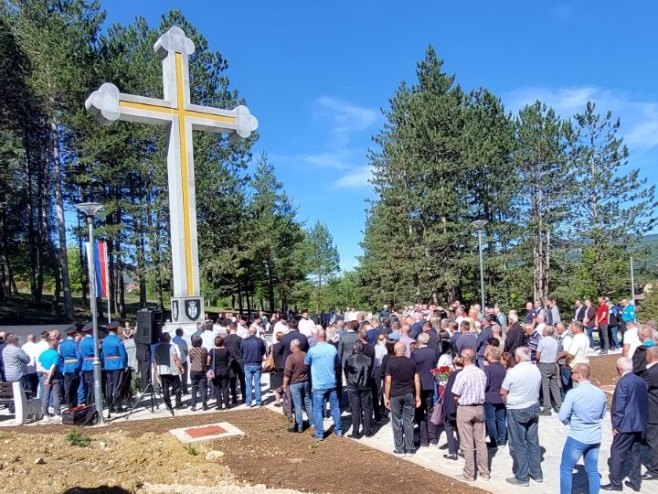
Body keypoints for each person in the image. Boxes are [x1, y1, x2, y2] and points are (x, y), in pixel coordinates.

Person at [559, 363, 607, 494]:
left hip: (577, 436)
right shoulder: (600, 393)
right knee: (592, 470)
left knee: (565, 469)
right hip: (595, 437)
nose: (571, 375)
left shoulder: (573, 393)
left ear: (578, 375)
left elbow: (563, 416)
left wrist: (570, 422)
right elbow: (602, 414)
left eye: (573, 372)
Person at [601, 357, 648, 491]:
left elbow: (619, 405)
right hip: (639, 424)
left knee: (617, 452)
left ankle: (615, 482)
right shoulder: (641, 381)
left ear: (619, 368)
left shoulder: (623, 382)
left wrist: (616, 424)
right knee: (635, 453)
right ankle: (635, 481)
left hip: (626, 425)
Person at [501, 346, 543, 486]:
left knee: (518, 444)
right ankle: (536, 473)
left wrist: (508, 403)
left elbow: (503, 392)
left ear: (518, 357)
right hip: (533, 406)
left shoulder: (513, 372)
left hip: (517, 408)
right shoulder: (535, 369)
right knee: (533, 442)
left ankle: (522, 477)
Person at [452, 348, 489, 482]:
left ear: (464, 358)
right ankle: (484, 472)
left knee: (467, 443)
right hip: (479, 408)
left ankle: (469, 473)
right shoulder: (481, 373)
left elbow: (456, 394)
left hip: (466, 408)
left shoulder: (462, 374)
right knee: (481, 442)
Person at [305, 328, 342, 440]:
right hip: (331, 382)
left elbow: (307, 363)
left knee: (318, 409)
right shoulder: (332, 349)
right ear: (325, 337)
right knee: (335, 407)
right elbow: (336, 363)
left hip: (318, 384)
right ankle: (339, 430)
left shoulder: (312, 350)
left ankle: (320, 433)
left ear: (317, 337)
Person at [385, 341, 421, 456]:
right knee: (409, 421)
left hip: (395, 394)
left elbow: (388, 382)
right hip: (409, 393)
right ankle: (410, 448)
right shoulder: (411, 362)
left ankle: (400, 448)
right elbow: (417, 380)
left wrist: (387, 397)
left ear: (395, 351)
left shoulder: (391, 362)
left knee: (396, 421)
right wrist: (418, 396)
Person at [412, 332, 438, 446]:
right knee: (430, 411)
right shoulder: (433, 353)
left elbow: (412, 369)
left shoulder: (415, 354)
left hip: (419, 385)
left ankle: (424, 439)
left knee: (420, 412)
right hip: (430, 384)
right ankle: (432, 437)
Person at [345, 342, 374, 438]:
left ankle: (356, 432)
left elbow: (346, 373)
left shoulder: (349, 359)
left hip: (354, 387)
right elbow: (370, 372)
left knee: (356, 409)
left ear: (354, 349)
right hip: (365, 386)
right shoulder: (368, 360)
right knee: (367, 408)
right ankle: (367, 431)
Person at [283, 338, 313, 433]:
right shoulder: (306, 355)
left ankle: (299, 426)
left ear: (292, 347)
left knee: (297, 405)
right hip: (305, 381)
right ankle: (312, 423)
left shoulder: (290, 358)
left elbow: (287, 373)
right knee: (308, 401)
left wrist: (284, 385)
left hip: (295, 383)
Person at [152, 332, 185, 411]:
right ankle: (178, 403)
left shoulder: (156, 347)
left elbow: (155, 359)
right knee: (177, 387)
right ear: (168, 339)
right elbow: (175, 358)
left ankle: (168, 405)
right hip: (172, 370)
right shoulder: (171, 347)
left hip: (162, 370)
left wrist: (156, 369)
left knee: (165, 388)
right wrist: (181, 367)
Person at [484, 346, 507, 448]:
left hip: (490, 396)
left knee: (491, 420)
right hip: (501, 397)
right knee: (501, 419)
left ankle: (494, 441)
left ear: (491, 356)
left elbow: (486, 384)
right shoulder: (503, 368)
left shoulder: (488, 369)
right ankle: (502, 439)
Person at [101, 323, 128, 412]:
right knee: (117, 386)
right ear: (116, 329)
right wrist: (124, 365)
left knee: (109, 386)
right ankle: (118, 406)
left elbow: (102, 354)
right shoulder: (117, 340)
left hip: (108, 365)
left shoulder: (104, 340)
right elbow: (123, 354)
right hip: (118, 364)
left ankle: (110, 406)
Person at [536, 325, 561, 415]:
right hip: (553, 364)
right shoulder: (555, 341)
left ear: (546, 332)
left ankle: (547, 408)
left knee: (545, 386)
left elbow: (537, 355)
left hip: (544, 364)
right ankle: (559, 406)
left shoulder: (542, 341)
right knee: (554, 386)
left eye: (543, 330)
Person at [559, 321, 590, 392]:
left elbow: (570, 355)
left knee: (573, 385)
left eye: (572, 327)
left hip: (576, 365)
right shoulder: (585, 337)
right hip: (584, 363)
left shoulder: (577, 338)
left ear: (576, 328)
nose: (571, 329)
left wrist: (565, 363)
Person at [2, 334, 31, 407]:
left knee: (12, 392)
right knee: (22, 392)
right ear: (14, 341)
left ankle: (12, 407)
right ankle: (22, 407)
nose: (18, 341)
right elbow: (27, 360)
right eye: (17, 340)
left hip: (8, 374)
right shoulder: (17, 349)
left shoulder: (4, 350)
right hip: (18, 374)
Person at [643, 345, 658, 481]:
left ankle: (654, 470)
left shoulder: (651, 372)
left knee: (653, 441)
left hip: (653, 411)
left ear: (650, 356)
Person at [241, 325, 266, 407]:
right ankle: (258, 402)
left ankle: (248, 402)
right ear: (255, 332)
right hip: (257, 363)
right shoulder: (259, 341)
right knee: (257, 384)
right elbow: (263, 351)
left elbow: (241, 351)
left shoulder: (244, 341)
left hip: (247, 363)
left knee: (248, 384)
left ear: (249, 332)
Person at [38, 335, 62, 419]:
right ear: (55, 344)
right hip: (54, 375)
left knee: (46, 395)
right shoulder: (56, 354)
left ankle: (45, 413)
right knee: (56, 395)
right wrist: (49, 377)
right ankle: (57, 413)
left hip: (44, 375)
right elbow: (53, 366)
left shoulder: (43, 354)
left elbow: (39, 367)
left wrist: (46, 372)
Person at [59, 328, 81, 409]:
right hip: (74, 367)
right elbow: (79, 357)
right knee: (74, 387)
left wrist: (62, 369)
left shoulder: (62, 345)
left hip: (66, 368)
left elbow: (61, 358)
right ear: (74, 333)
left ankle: (69, 404)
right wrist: (78, 367)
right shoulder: (75, 344)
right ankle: (73, 404)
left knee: (67, 387)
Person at [224, 323, 246, 404]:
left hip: (230, 361)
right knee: (242, 379)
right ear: (236, 328)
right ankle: (244, 397)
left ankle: (234, 398)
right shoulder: (240, 339)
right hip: (240, 360)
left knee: (232, 380)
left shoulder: (225, 339)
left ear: (229, 328)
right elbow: (243, 349)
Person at [209, 336, 231, 410]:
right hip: (225, 370)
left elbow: (208, 361)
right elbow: (229, 359)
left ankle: (219, 405)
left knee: (217, 389)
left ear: (215, 343)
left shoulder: (212, 351)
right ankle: (227, 405)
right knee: (225, 388)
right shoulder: (226, 350)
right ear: (222, 342)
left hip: (216, 371)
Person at [188, 335, 208, 411]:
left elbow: (190, 360)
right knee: (203, 388)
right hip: (202, 370)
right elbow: (206, 359)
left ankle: (193, 405)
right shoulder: (204, 350)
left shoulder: (191, 350)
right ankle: (204, 404)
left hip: (193, 370)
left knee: (194, 388)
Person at [172, 328, 189, 395]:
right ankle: (185, 390)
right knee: (184, 376)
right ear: (181, 333)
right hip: (182, 360)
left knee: (175, 376)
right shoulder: (183, 341)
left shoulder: (172, 340)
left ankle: (174, 390)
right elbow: (186, 352)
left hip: (174, 360)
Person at [270, 331, 285, 407]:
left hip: (277, 366)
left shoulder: (273, 346)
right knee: (286, 383)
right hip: (285, 366)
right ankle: (287, 400)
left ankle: (278, 401)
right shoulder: (285, 346)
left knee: (278, 384)